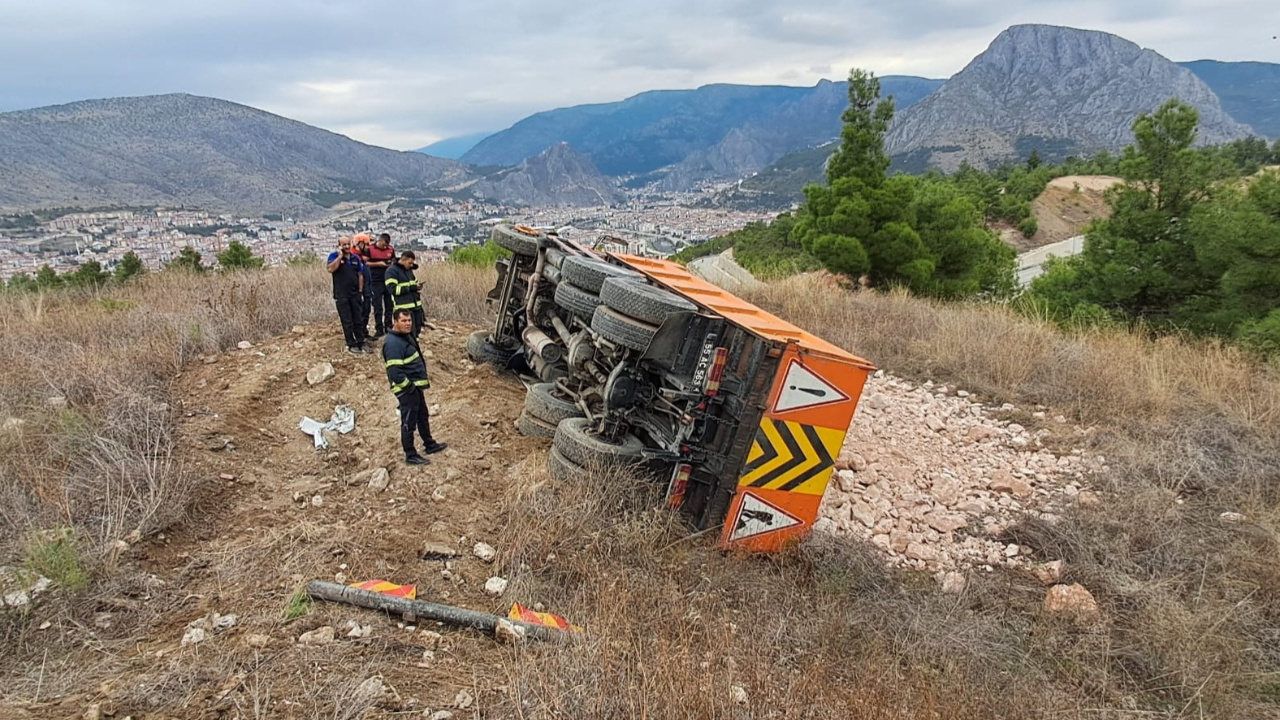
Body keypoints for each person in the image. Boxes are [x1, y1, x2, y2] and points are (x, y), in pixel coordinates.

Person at [383, 308, 447, 465]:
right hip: (407, 390)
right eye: (404, 321)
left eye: (409, 320)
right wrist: (409, 387)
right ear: (395, 322)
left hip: (415, 387)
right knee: (409, 421)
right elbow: (394, 372)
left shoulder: (405, 337)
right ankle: (410, 454)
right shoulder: (392, 344)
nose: (408, 324)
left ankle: (429, 444)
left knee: (422, 415)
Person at [326, 237, 368, 354]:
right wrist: (340, 257)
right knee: (347, 320)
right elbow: (330, 269)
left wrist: (360, 291)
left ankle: (361, 341)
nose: (346, 246)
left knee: (358, 319)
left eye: (348, 244)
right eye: (344, 245)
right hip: (341, 295)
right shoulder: (334, 256)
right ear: (339, 245)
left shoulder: (355, 258)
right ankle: (351, 343)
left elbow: (360, 274)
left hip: (355, 294)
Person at [384, 250, 424, 336]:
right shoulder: (391, 271)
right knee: (407, 333)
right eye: (409, 263)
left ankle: (414, 348)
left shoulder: (408, 270)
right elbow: (393, 290)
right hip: (403, 308)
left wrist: (417, 286)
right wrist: (410, 288)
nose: (411, 265)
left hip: (415, 307)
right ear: (404, 259)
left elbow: (413, 283)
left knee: (416, 331)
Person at [364, 233, 396, 337]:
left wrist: (391, 264)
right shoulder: (370, 249)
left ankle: (388, 326)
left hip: (388, 279)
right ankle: (379, 328)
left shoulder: (390, 249)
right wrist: (378, 264)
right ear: (380, 241)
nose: (385, 247)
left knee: (389, 305)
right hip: (375, 280)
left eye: (387, 245)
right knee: (377, 306)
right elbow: (366, 263)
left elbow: (394, 261)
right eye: (384, 245)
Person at [353, 234, 375, 337]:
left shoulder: (362, 257)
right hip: (360, 289)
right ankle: (360, 334)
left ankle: (364, 332)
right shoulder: (354, 256)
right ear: (359, 243)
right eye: (366, 244)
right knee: (360, 312)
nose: (368, 247)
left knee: (366, 310)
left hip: (367, 288)